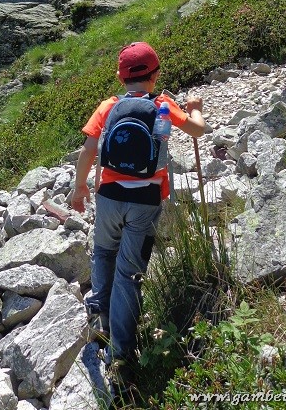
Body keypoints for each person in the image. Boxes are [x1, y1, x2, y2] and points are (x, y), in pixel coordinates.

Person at [70, 41, 206, 391]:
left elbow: (89, 150)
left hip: (109, 198)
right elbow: (197, 130)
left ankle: (99, 319)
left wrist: (80, 188)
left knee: (103, 253)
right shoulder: (163, 106)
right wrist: (194, 108)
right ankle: (121, 352)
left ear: (121, 78)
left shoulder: (108, 106)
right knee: (129, 274)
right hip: (145, 202)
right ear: (155, 75)